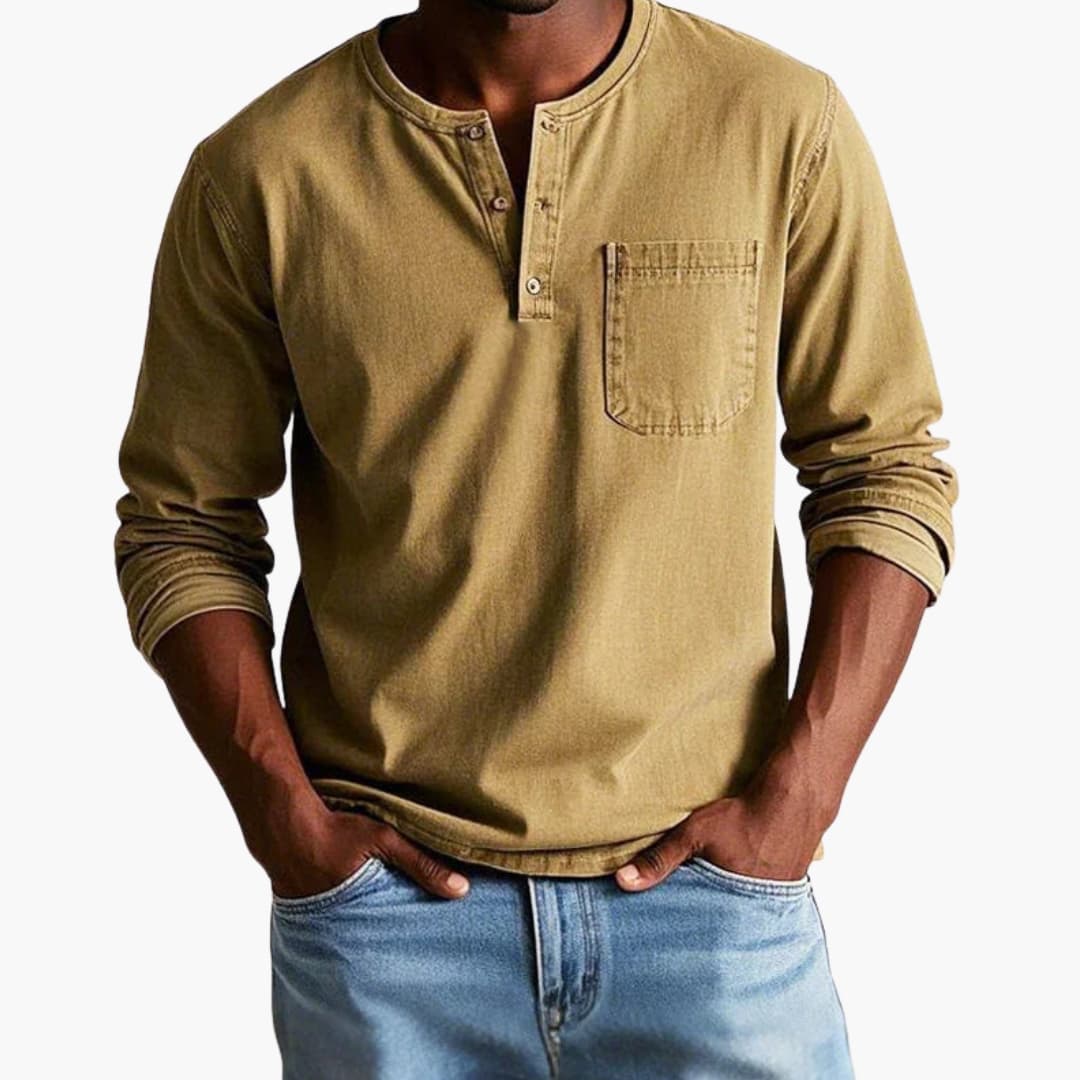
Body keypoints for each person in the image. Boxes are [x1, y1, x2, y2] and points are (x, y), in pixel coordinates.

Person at [113, 0, 958, 1075]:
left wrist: (801, 796)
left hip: (712, 916)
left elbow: (884, 470)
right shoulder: (264, 169)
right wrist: (283, 819)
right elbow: (183, 524)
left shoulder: (779, 121)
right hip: (390, 930)